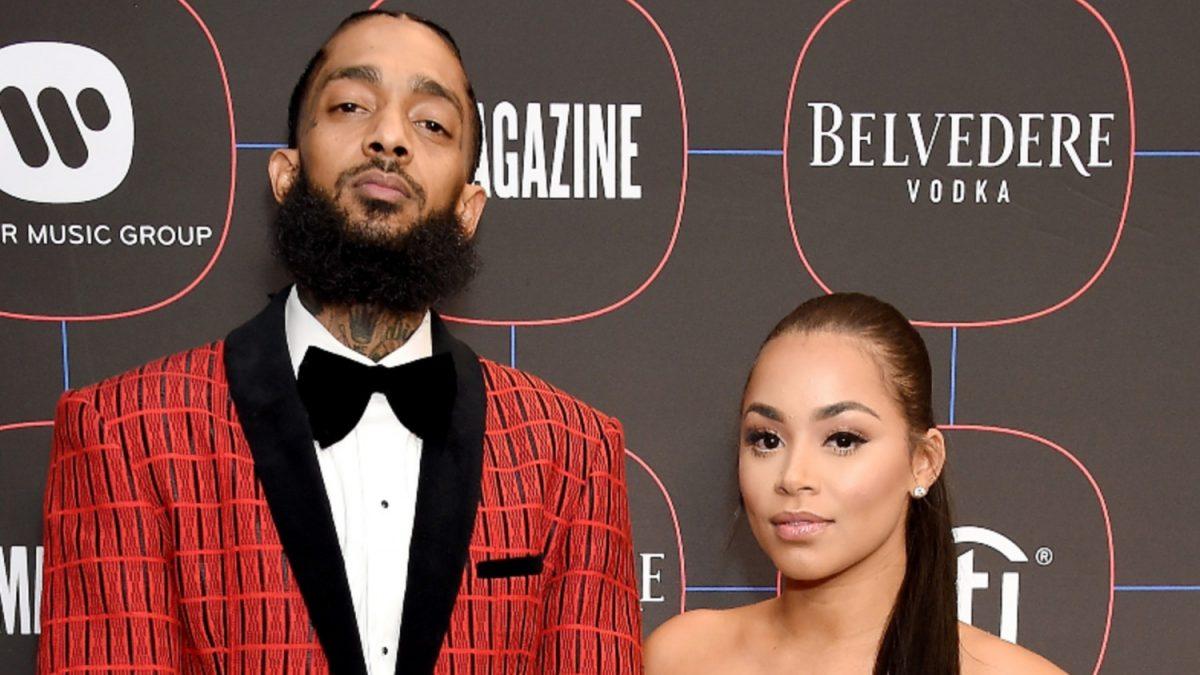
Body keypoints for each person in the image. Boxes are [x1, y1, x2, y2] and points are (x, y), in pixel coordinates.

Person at [37, 10, 641, 675]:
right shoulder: (123, 433)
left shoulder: (572, 453)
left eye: (431, 123)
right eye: (353, 105)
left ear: (469, 211)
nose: (388, 137)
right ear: (286, 176)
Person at [644, 293, 1062, 674]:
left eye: (843, 440)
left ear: (923, 461)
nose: (793, 477)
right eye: (767, 440)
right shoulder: (680, 657)